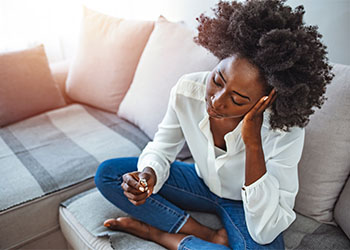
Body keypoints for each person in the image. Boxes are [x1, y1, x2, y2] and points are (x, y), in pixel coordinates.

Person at [94, 0, 334, 249]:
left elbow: (265, 229)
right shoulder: (188, 90)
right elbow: (162, 147)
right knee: (109, 174)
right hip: (199, 183)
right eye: (218, 80)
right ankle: (202, 233)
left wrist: (253, 143)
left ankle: (165, 237)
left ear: (266, 100)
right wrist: (148, 175)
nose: (217, 102)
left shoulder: (283, 129)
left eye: (237, 99)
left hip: (245, 204)